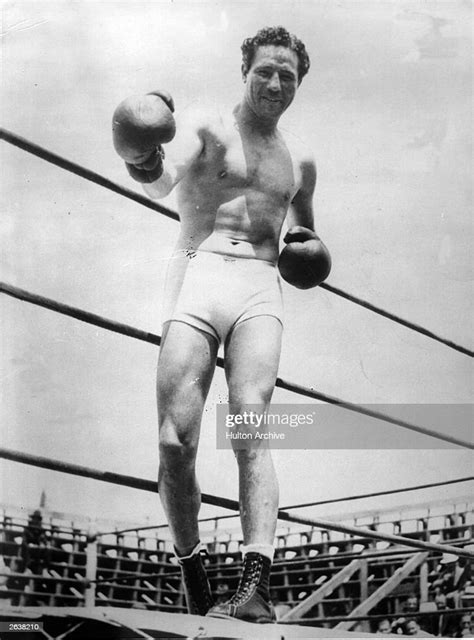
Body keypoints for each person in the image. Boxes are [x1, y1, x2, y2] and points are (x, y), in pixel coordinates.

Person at [113, 26, 330, 623]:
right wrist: (137, 149)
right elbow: (157, 182)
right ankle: (195, 578)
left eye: (288, 75)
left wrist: (312, 251)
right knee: (172, 441)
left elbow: (302, 236)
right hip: (198, 270)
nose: (276, 83)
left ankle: (254, 589)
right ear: (246, 70)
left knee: (252, 429)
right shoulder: (209, 128)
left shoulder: (299, 159)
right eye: (266, 70)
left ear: (298, 84)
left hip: (261, 284)